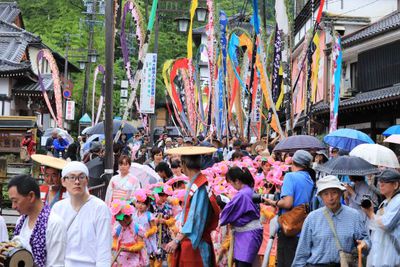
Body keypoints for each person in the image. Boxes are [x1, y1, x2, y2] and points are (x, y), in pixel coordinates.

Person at [292, 175, 370, 266]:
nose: (330, 198)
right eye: (325, 194)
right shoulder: (312, 218)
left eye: (334, 193)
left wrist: (365, 244)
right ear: (320, 196)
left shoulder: (354, 216)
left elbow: (366, 241)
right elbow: (302, 253)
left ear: (341, 193)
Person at [164, 146, 220, 267]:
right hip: (189, 239)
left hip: (195, 242)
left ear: (183, 164)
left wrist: (177, 240)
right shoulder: (195, 183)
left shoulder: (200, 187)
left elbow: (195, 218)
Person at [52, 161, 111, 267]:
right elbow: (54, 245)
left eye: (81, 177)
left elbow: (104, 250)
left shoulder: (100, 208)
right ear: (63, 181)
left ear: (87, 180)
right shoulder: (58, 208)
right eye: (71, 177)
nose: (77, 182)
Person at [263, 150, 315, 267]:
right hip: (303, 228)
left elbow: (287, 203)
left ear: (293, 161)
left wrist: (274, 202)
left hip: (289, 227)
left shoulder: (290, 177)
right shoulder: (310, 178)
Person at [9, 174, 66, 267]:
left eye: (15, 201)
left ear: (31, 196)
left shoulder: (54, 224)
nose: (13, 206)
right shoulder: (21, 221)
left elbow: (56, 264)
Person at [220, 166, 263, 266]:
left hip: (248, 235)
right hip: (249, 234)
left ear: (237, 181)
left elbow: (227, 213)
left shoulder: (242, 194)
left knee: (243, 264)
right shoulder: (249, 190)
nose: (232, 186)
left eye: (231, 183)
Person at [362, 169, 400, 267]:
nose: (380, 184)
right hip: (381, 254)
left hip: (391, 256)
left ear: (395, 185)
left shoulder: (398, 201)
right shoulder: (385, 202)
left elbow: (387, 224)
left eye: (385, 182)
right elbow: (375, 226)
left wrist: (371, 214)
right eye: (380, 181)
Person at [110, 199, 147, 267]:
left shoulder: (137, 228)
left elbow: (140, 244)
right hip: (121, 256)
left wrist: (129, 248)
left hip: (133, 257)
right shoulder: (118, 229)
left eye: (125, 218)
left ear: (130, 215)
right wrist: (115, 246)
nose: (123, 222)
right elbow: (115, 240)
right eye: (120, 220)